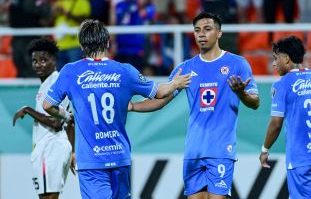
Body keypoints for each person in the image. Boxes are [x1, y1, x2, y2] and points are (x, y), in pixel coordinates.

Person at [42, 19, 191, 199]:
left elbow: (47, 105)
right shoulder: (124, 70)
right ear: (107, 42)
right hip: (119, 156)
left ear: (81, 46)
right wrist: (175, 84)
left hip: (91, 160)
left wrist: (66, 116)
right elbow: (159, 93)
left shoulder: (70, 71)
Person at [129, 12, 260, 199]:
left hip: (221, 150)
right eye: (197, 30)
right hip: (194, 151)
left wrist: (241, 93)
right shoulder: (186, 68)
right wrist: (133, 107)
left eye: (207, 29)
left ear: (219, 33)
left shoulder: (237, 64)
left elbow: (255, 103)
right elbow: (161, 100)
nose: (201, 34)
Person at [259, 36, 311, 199]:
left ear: (286, 58)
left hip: (301, 158)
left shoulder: (281, 84)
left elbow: (276, 123)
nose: (274, 64)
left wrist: (265, 149)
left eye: (276, 59)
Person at [12, 37, 74, 199]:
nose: (38, 64)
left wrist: (27, 110)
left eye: (44, 60)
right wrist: (72, 151)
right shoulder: (47, 84)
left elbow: (55, 123)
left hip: (52, 146)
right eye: (35, 60)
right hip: (48, 147)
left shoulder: (55, 83)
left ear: (54, 60)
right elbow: (71, 121)